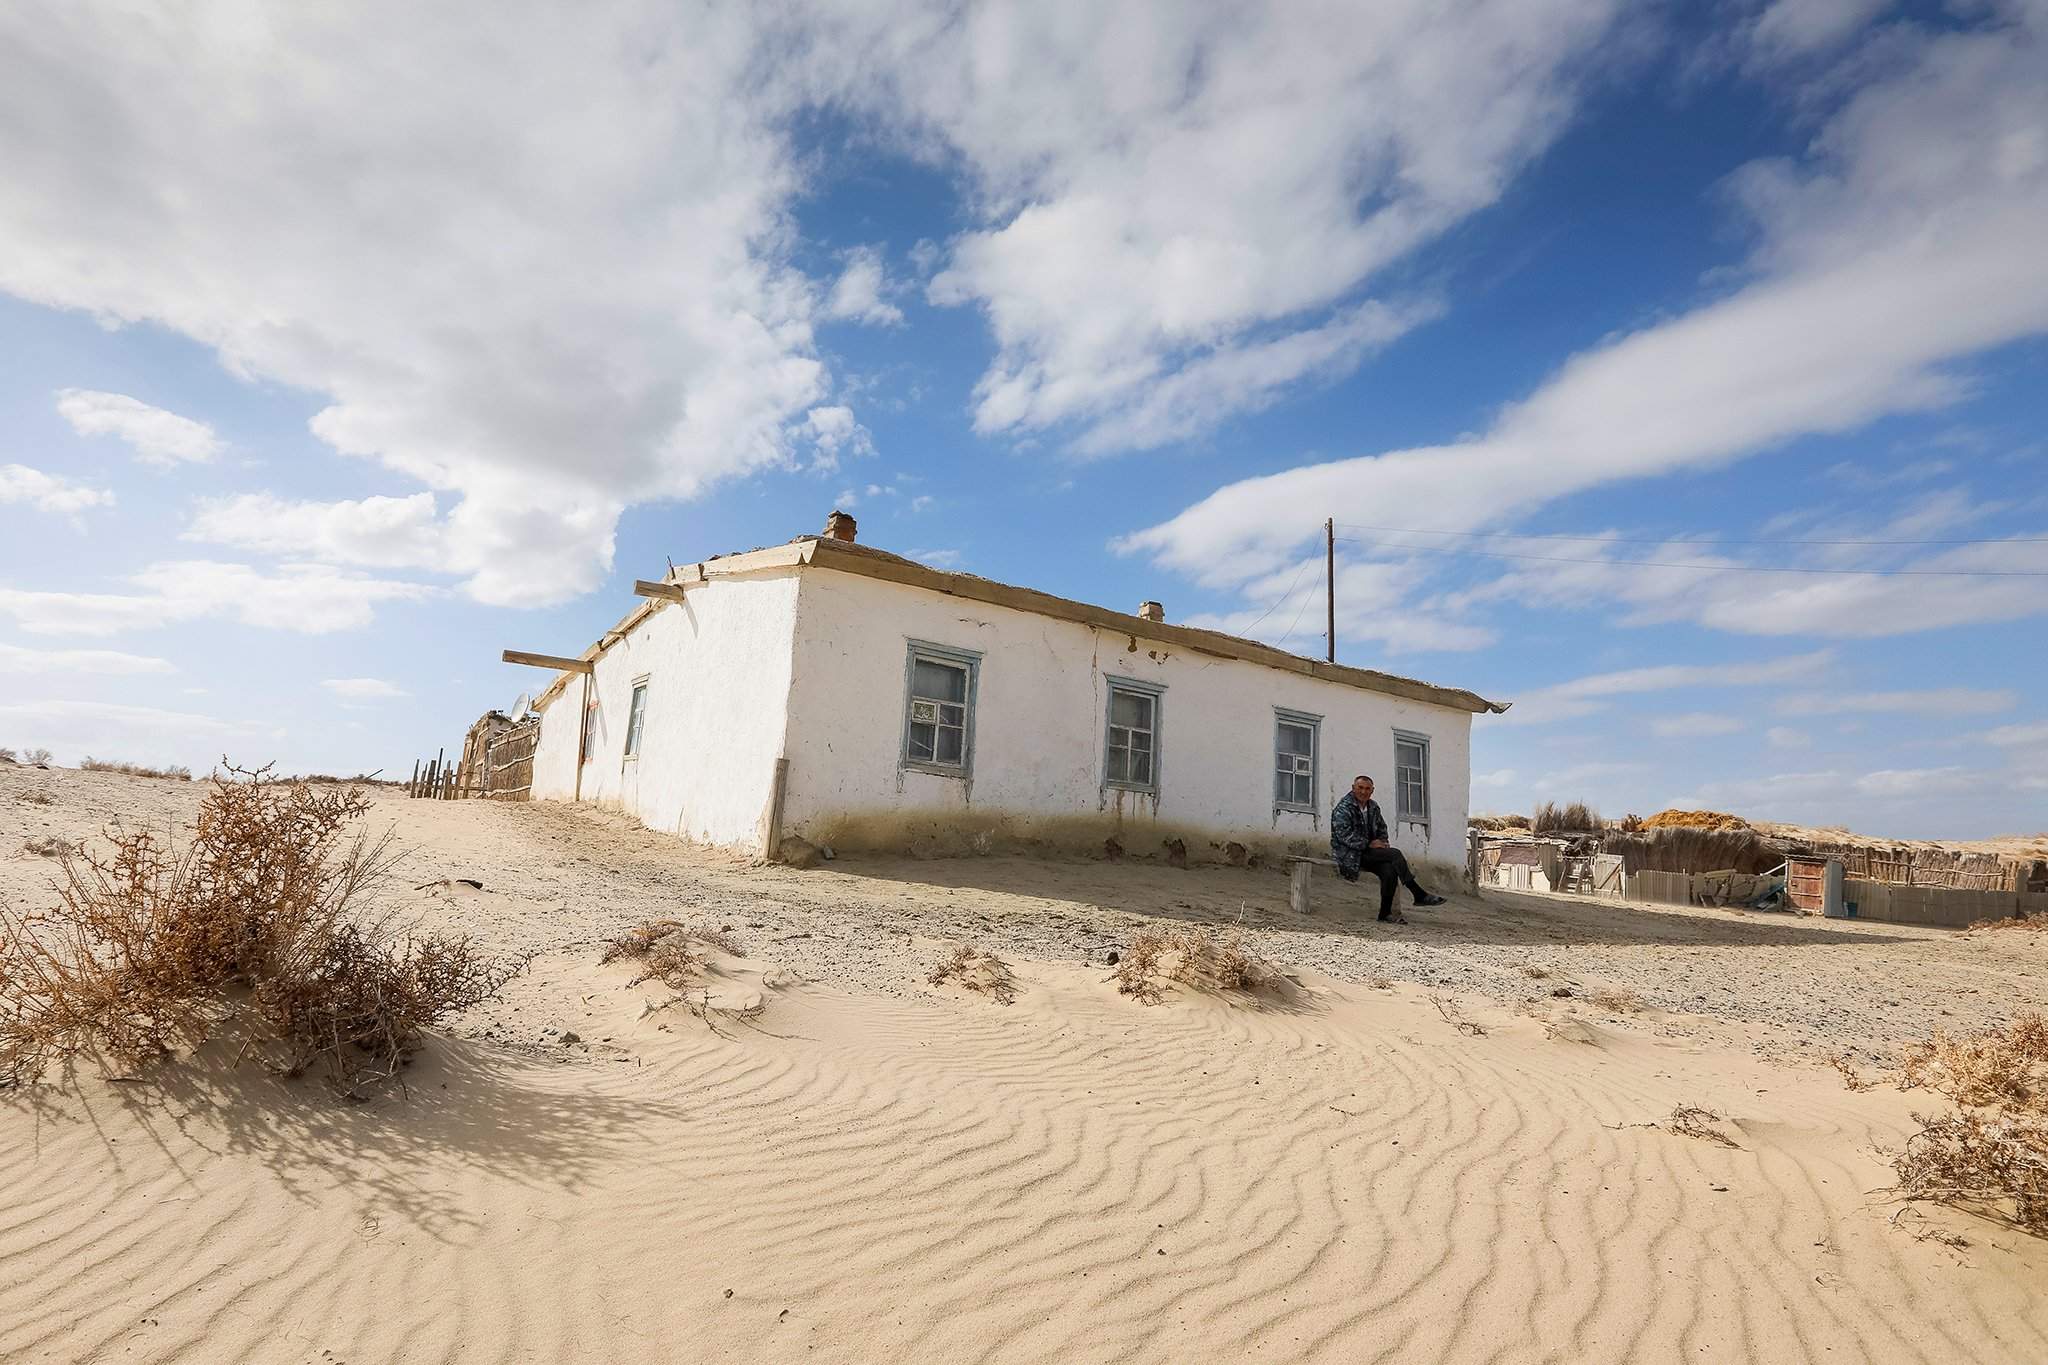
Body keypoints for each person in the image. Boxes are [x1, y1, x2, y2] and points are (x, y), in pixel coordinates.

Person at [1331, 774, 1446, 923]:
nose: (1363, 792)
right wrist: (1368, 844)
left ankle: (1384, 914)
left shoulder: (1373, 807)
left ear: (1372, 790)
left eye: (1367, 789)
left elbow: (1382, 828)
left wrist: (1382, 843)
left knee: (1389, 870)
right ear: (1353, 788)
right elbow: (1343, 835)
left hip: (1370, 853)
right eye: (1360, 788)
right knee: (1395, 854)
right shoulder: (1344, 808)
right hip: (1349, 854)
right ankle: (1418, 894)